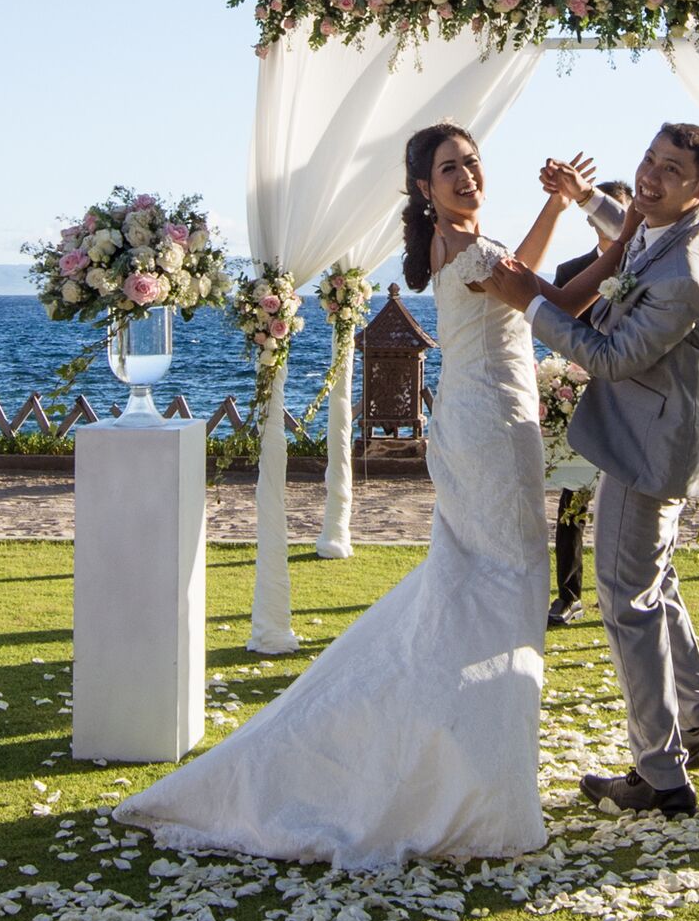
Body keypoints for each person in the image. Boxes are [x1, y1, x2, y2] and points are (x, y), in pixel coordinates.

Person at [111, 122, 585, 869]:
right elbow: (551, 303)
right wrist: (620, 252)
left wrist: (556, 208)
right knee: (503, 587)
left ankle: (473, 773)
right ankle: (469, 788)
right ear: (424, 189)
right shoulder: (464, 247)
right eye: (449, 168)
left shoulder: (463, 245)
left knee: (482, 588)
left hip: (485, 422)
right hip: (489, 431)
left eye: (472, 162)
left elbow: (523, 277)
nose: (467, 175)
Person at [478, 124, 699, 816]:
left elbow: (610, 357)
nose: (650, 177)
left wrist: (526, 302)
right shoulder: (674, 229)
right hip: (660, 436)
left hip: (646, 449)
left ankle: (661, 773)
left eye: (670, 171)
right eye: (649, 160)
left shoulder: (686, 280)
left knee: (628, 601)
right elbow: (635, 234)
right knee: (657, 586)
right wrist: (587, 197)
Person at [542, 179, 633, 632]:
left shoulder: (648, 271)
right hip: (579, 399)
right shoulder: (569, 270)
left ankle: (634, 595)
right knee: (572, 499)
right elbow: (556, 337)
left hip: (633, 405)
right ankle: (570, 595)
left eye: (619, 210)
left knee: (636, 504)